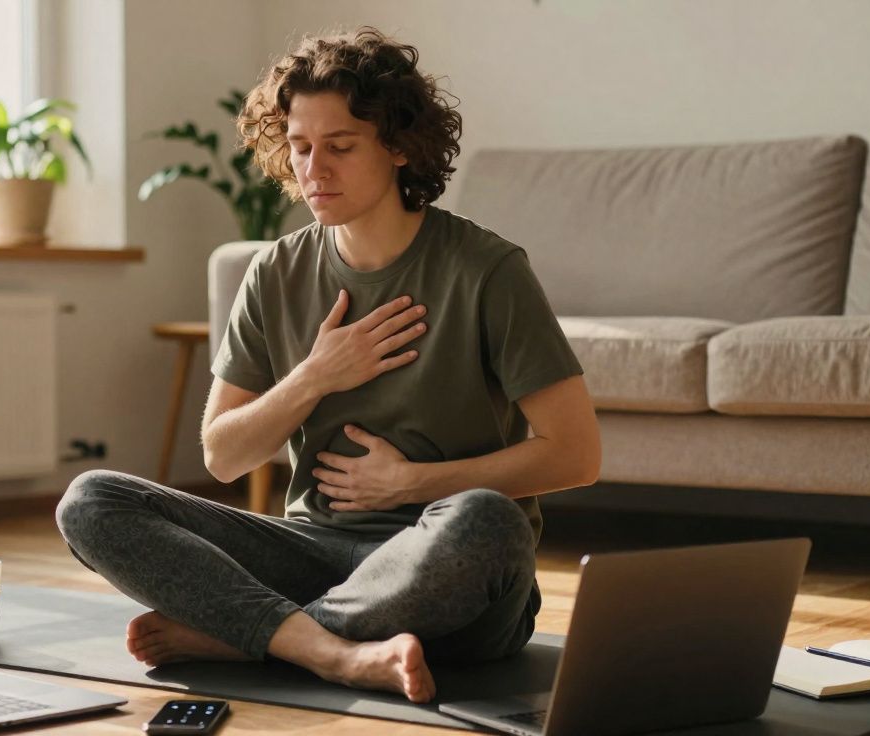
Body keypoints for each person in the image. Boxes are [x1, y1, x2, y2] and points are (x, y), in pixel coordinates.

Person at [56, 26, 601, 704]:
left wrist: (410, 484)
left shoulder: (487, 270)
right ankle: (333, 652)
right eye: (300, 146)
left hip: (449, 577)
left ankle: (249, 636)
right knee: (93, 501)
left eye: (341, 147)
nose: (315, 169)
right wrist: (316, 375)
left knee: (488, 523)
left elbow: (576, 454)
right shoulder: (276, 273)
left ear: (400, 145)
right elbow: (224, 456)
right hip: (312, 555)